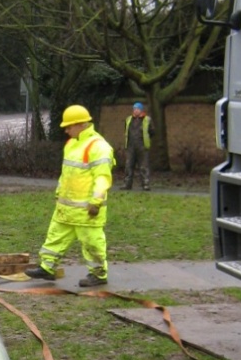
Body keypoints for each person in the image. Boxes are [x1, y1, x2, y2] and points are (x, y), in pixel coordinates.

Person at [26, 104, 115, 287]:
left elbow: (103, 178)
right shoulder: (72, 144)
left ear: (81, 124)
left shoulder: (99, 147)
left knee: (92, 243)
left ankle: (98, 274)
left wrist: (96, 202)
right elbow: (66, 174)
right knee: (55, 238)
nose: (66, 130)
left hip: (87, 210)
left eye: (69, 126)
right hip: (66, 208)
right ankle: (47, 268)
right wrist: (59, 193)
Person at [122, 100, 152, 191]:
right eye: (134, 109)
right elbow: (126, 130)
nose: (135, 110)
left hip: (142, 146)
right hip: (131, 146)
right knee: (128, 165)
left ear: (141, 110)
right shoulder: (128, 119)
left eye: (137, 109)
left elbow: (152, 132)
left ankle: (145, 184)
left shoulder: (147, 120)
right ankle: (127, 184)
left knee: (143, 166)